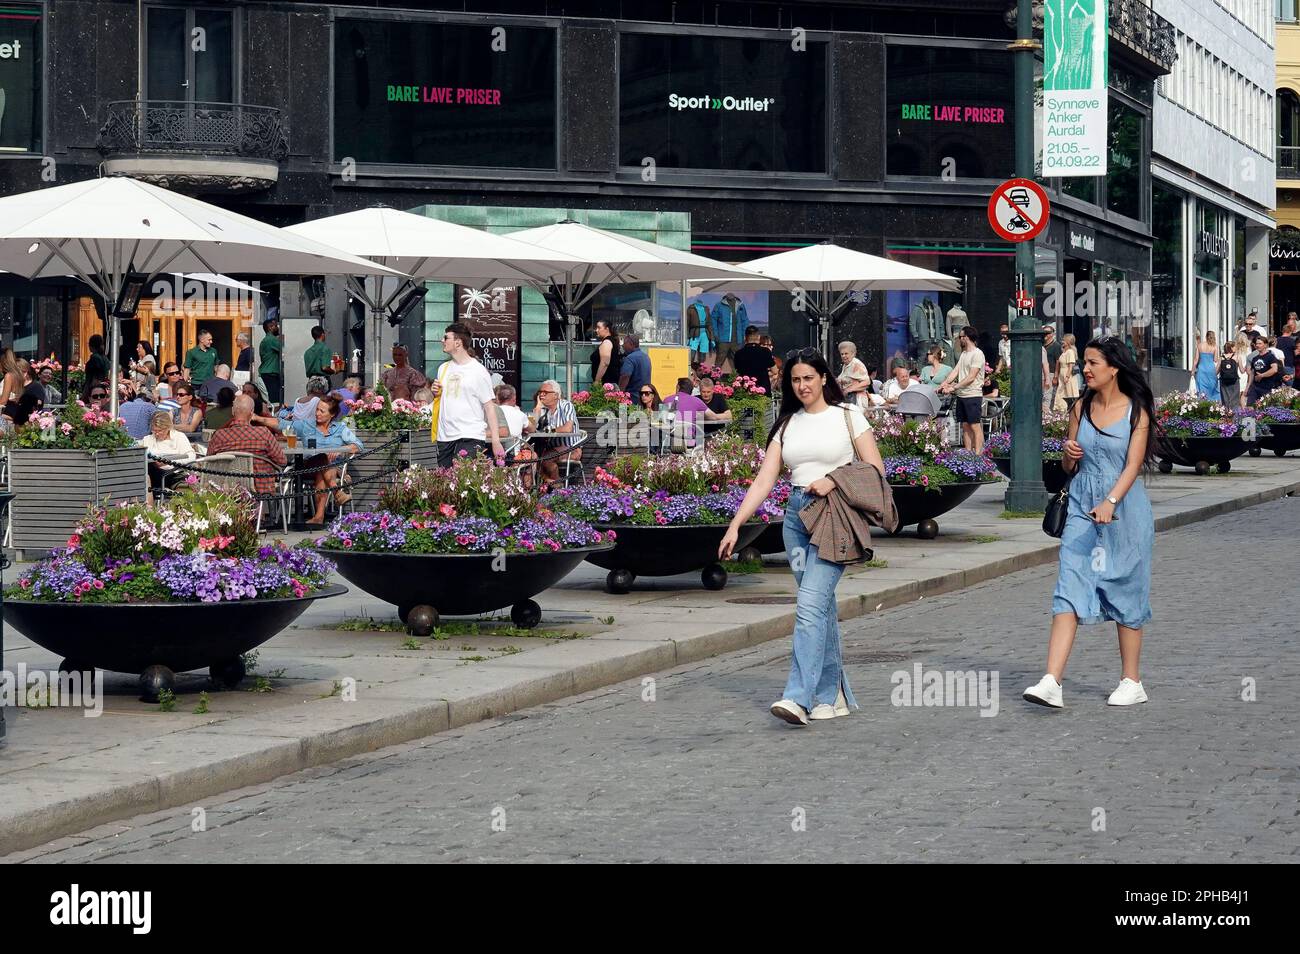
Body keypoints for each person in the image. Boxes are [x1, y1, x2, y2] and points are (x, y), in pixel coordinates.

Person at [719, 347, 886, 725]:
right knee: (819, 606)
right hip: (796, 518)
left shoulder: (848, 416)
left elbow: (875, 468)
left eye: (808, 377)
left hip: (836, 517)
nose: (802, 385)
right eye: (795, 379)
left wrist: (833, 479)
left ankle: (798, 696)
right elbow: (765, 479)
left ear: (824, 378)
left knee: (810, 605)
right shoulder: (786, 424)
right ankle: (833, 693)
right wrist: (736, 523)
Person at [1023, 336, 1158, 709]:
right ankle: (1051, 681)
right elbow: (1071, 467)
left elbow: (1132, 465)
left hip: (1124, 512)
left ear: (1114, 367)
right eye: (1084, 361)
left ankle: (1132, 681)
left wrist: (1111, 501)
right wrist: (1068, 455)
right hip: (1082, 506)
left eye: (1093, 362)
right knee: (1070, 583)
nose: (1085, 368)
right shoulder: (1080, 407)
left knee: (1124, 589)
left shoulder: (1137, 411)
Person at [431, 322, 506, 468]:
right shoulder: (443, 368)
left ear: (458, 343)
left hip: (470, 434)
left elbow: (489, 407)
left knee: (461, 480)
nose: (442, 341)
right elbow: (447, 399)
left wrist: (496, 441)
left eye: (446, 338)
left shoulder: (478, 371)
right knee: (444, 484)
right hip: (445, 435)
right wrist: (436, 393)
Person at [288, 395, 363, 526]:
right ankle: (337, 493)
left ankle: (319, 517)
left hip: (328, 470)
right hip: (307, 467)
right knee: (322, 458)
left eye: (321, 411)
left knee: (322, 473)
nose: (317, 413)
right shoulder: (307, 425)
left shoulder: (340, 428)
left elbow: (358, 446)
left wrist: (340, 449)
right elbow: (283, 425)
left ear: (332, 414)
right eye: (317, 409)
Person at [207, 395, 289, 497]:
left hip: (227, 488)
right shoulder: (263, 433)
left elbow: (209, 461)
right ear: (252, 412)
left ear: (233, 411)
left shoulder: (219, 435)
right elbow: (282, 461)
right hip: (260, 489)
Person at [939, 325, 987, 454]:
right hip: (962, 395)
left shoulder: (978, 354)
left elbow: (971, 377)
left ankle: (978, 455)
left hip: (973, 395)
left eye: (960, 337)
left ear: (966, 338)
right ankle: (967, 454)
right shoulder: (964, 354)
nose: (959, 339)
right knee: (965, 426)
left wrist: (953, 387)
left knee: (975, 425)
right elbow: (956, 371)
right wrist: (944, 383)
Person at [530, 379, 582, 485]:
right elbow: (530, 428)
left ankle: (558, 489)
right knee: (532, 458)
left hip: (571, 448)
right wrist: (537, 409)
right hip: (549, 448)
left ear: (556, 395)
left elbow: (568, 428)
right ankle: (554, 485)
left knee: (545, 459)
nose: (541, 395)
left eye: (545, 392)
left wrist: (550, 430)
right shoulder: (541, 409)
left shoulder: (566, 405)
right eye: (540, 392)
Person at [138, 410, 195, 502]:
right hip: (155, 474)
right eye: (154, 431)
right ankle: (149, 509)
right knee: (145, 475)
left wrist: (169, 462)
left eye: (160, 431)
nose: (156, 434)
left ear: (168, 427)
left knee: (184, 494)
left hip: (174, 473)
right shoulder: (148, 439)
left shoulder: (179, 437)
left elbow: (191, 456)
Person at [2, 359, 44, 426]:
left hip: (25, 423)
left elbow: (38, 402)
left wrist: (19, 399)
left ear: (25, 372)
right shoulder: (17, 386)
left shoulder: (36, 386)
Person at [1247, 334, 1282, 404]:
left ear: (1265, 345)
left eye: (1260, 343)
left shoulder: (1271, 356)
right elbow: (1252, 373)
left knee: (1265, 409)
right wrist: (1248, 387)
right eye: (1256, 344)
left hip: (1267, 387)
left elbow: (1274, 369)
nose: (1257, 345)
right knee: (1250, 406)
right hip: (1255, 387)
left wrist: (1262, 375)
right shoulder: (1254, 358)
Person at [836, 340, 871, 407]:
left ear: (853, 353)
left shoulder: (856, 364)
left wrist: (849, 390)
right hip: (849, 400)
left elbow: (867, 382)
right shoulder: (845, 365)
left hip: (857, 400)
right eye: (842, 354)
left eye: (846, 353)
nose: (843, 356)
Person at [589, 318, 622, 388]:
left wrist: (597, 381)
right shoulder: (611, 341)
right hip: (608, 383)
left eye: (599, 328)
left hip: (606, 385)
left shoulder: (607, 342)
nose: (596, 330)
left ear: (607, 329)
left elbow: (604, 363)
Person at [617, 333, 652, 398]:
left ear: (631, 344)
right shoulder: (646, 357)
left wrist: (620, 395)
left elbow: (625, 376)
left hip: (632, 397)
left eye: (625, 343)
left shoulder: (630, 358)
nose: (623, 346)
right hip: (645, 396)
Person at [258, 316, 283, 405]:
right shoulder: (271, 340)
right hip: (270, 374)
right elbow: (285, 350)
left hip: (266, 373)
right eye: (276, 326)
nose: (278, 328)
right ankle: (274, 417)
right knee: (275, 400)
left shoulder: (265, 340)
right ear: (270, 328)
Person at [1053, 334, 1081, 413]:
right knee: (1061, 394)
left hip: (1067, 375)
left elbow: (1070, 366)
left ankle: (1067, 411)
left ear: (1068, 342)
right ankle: (1061, 411)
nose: (1062, 342)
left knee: (1068, 394)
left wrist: (1067, 376)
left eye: (1064, 340)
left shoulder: (1070, 352)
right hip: (1062, 376)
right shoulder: (1064, 352)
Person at [1218, 341, 1242, 411]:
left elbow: (1216, 371)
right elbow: (1242, 370)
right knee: (1234, 399)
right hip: (1235, 380)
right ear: (1231, 347)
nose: (1236, 348)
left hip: (1223, 381)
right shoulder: (1237, 357)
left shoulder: (1221, 357)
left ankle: (1226, 417)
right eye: (1235, 347)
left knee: (1225, 399)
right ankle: (1234, 418)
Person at [1278, 318, 1297, 387]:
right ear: (1290, 331)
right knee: (1291, 388)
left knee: (1280, 388)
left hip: (1279, 366)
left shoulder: (1277, 340)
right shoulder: (1292, 341)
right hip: (1289, 366)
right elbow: (1295, 354)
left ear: (1283, 331)